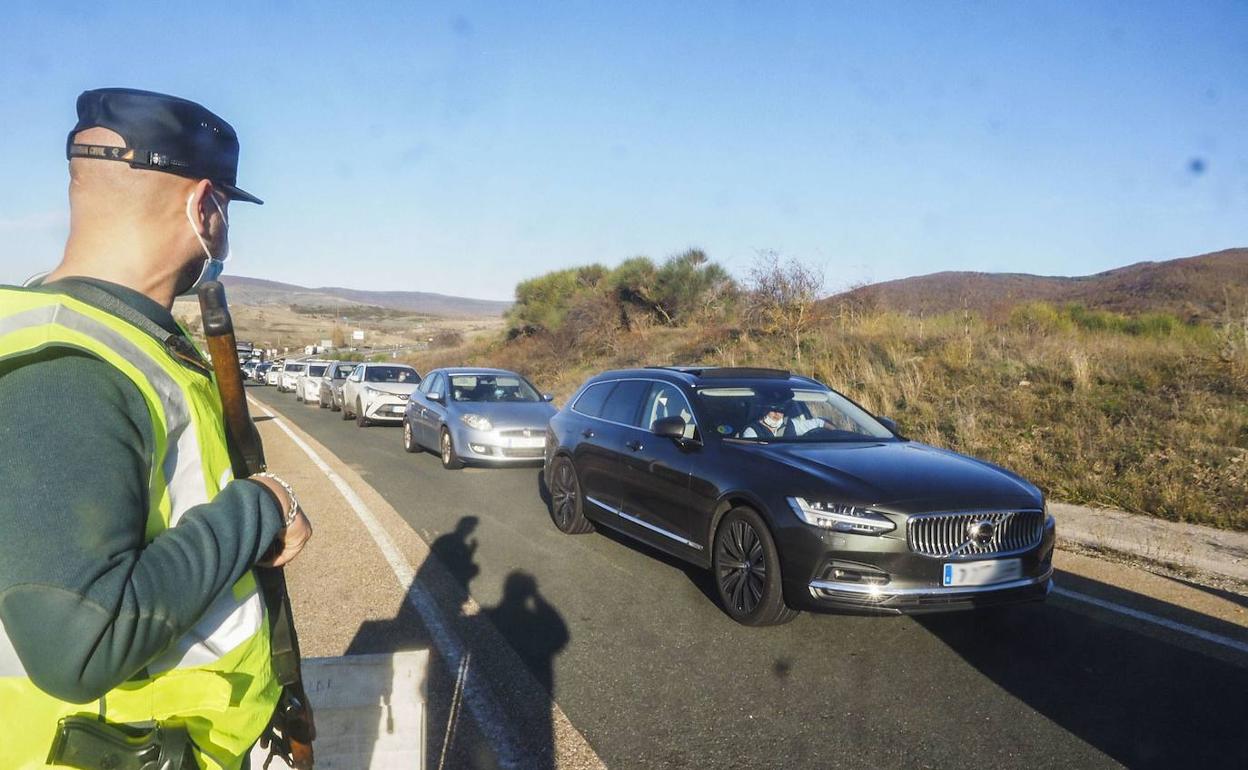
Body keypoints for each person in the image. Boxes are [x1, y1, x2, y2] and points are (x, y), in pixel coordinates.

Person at [0, 88, 311, 769]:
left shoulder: (104, 340)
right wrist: (261, 508)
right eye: (226, 205)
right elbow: (79, 645)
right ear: (206, 207)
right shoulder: (68, 369)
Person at [740, 397, 831, 439]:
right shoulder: (751, 431)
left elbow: (819, 423)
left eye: (781, 411)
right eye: (773, 410)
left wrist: (837, 432)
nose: (777, 414)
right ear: (765, 411)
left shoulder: (790, 424)